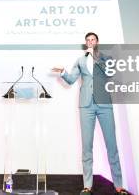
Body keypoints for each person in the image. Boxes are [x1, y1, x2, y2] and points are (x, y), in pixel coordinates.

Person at [52, 32, 130, 195]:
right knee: (87, 146)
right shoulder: (80, 61)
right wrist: (62, 72)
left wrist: (95, 58)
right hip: (86, 106)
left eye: (92, 40)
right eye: (87, 40)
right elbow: (71, 79)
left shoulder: (105, 58)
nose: (90, 42)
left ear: (97, 42)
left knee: (112, 146)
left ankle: (119, 185)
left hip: (104, 104)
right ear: (85, 43)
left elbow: (110, 74)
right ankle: (87, 185)